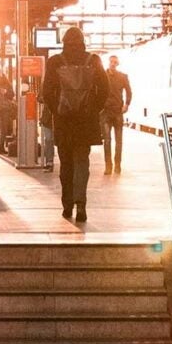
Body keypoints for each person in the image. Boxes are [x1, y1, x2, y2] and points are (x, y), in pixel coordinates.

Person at [40, 28, 107, 223]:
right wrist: (93, 108)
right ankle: (81, 205)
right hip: (85, 122)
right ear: (82, 41)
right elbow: (105, 89)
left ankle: (67, 205)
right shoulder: (93, 60)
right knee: (81, 163)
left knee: (66, 164)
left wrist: (57, 110)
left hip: (64, 122)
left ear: (64, 41)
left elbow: (46, 92)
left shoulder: (55, 62)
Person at [102, 55, 133, 175]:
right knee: (107, 140)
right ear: (108, 62)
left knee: (119, 141)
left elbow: (129, 92)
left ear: (118, 64)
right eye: (111, 62)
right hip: (105, 112)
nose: (113, 64)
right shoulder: (102, 76)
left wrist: (127, 104)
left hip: (118, 112)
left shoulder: (123, 77)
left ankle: (118, 165)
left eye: (115, 62)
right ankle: (108, 166)